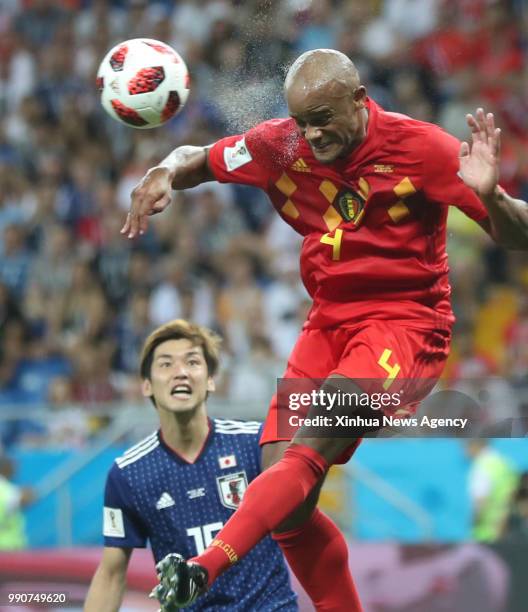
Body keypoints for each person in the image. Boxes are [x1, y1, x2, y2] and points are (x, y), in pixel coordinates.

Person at [123, 48, 528, 610]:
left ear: (360, 102)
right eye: (302, 121)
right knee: (286, 502)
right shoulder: (281, 144)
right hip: (329, 323)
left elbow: (516, 235)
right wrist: (165, 170)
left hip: (405, 328)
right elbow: (200, 158)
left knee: (312, 444)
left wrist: (491, 196)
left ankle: (201, 569)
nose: (312, 134)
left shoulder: (423, 148)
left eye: (323, 119)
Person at [83, 319, 298, 612]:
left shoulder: (254, 443)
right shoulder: (128, 474)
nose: (181, 372)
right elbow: (111, 573)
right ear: (146, 385)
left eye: (193, 362)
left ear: (210, 380)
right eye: (166, 364)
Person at [466, 439, 519, 542]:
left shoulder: (482, 467)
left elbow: (480, 502)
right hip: (506, 529)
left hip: (484, 533)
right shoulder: (506, 464)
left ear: (474, 444)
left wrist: (470, 523)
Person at [0, 455, 34, 550]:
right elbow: (29, 498)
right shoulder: (7, 490)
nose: (15, 470)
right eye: (12, 466)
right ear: (5, 468)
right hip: (8, 545)